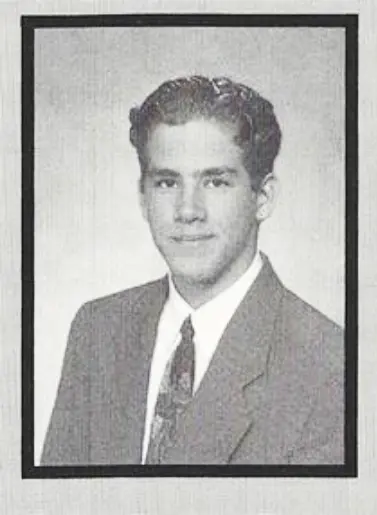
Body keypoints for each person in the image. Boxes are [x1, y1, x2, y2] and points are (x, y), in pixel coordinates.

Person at [41, 76, 344, 466]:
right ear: (143, 198)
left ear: (262, 198)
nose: (188, 211)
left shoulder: (328, 365)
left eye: (215, 182)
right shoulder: (97, 330)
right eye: (167, 182)